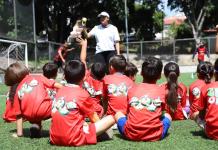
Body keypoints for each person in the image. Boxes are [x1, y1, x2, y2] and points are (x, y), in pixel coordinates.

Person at [49, 60, 115, 146]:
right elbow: (94, 119)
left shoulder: (60, 91)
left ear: (64, 77)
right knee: (111, 118)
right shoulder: (82, 94)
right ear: (84, 77)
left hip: (54, 138)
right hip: (73, 138)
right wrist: (103, 129)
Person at [115, 56, 172, 141]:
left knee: (118, 114)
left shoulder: (132, 89)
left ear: (141, 73)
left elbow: (128, 112)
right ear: (160, 76)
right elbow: (161, 112)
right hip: (155, 135)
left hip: (131, 134)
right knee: (167, 115)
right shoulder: (162, 91)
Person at [4, 62, 62, 138]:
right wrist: (67, 89)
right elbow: (55, 85)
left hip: (29, 115)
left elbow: (19, 116)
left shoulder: (16, 93)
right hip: (45, 111)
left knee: (33, 106)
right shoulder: (38, 77)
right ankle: (58, 129)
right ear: (26, 71)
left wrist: (19, 134)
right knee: (59, 99)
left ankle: (36, 126)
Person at [194, 58, 218, 140]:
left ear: (215, 73)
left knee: (195, 114)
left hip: (212, 133)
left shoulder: (206, 88)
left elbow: (201, 115)